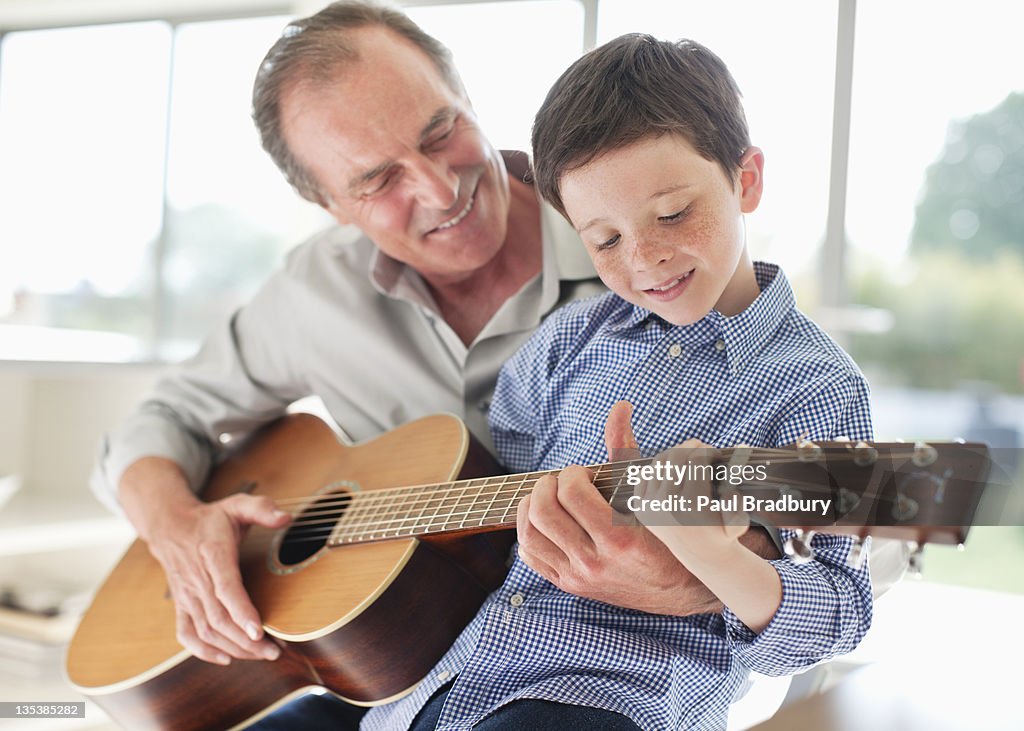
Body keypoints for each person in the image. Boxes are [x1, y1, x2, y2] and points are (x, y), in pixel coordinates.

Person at [89, 2, 785, 729]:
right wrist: (178, 528)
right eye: (376, 179)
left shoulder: (657, 251)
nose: (437, 187)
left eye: (440, 131)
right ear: (325, 202)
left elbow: (833, 539)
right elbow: (161, 420)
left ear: (470, 99)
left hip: (608, 681)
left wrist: (703, 580)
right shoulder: (312, 294)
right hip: (390, 669)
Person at [359, 32, 877, 731]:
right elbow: (493, 497)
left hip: (610, 699)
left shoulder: (816, 387)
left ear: (746, 180)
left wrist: (709, 552)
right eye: (604, 239)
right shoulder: (568, 341)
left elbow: (839, 611)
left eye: (672, 214)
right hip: (441, 681)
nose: (645, 257)